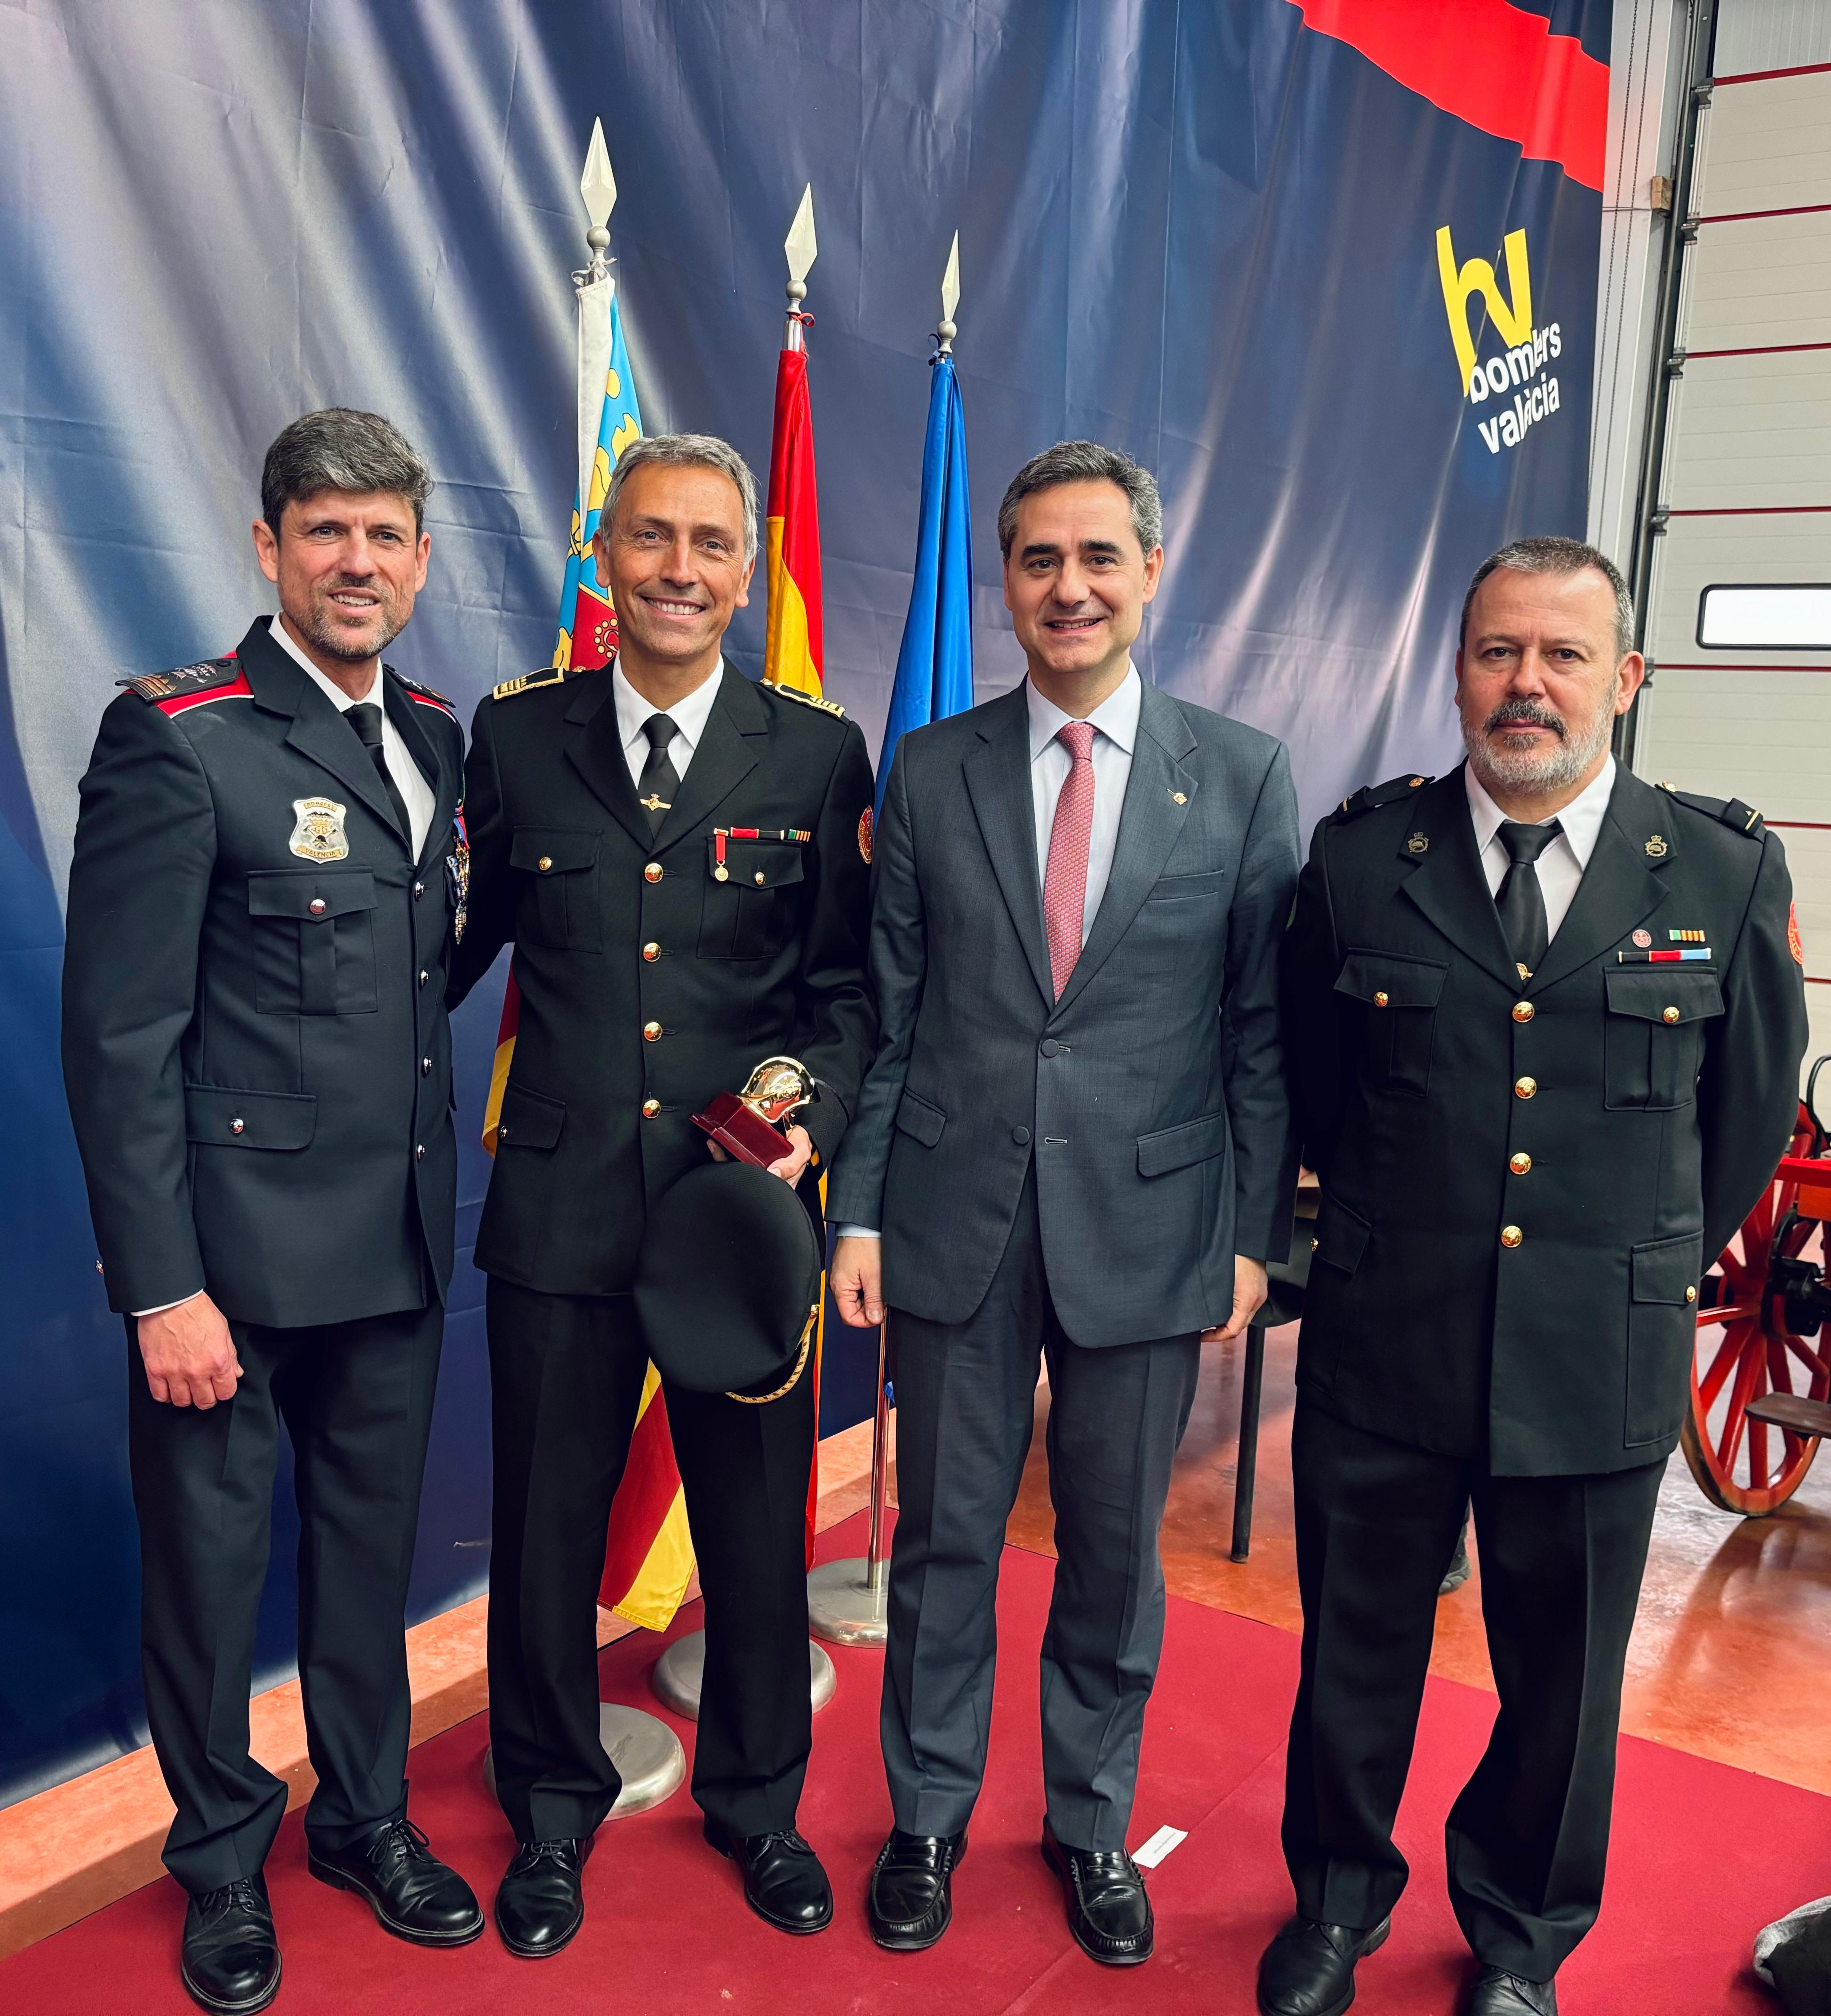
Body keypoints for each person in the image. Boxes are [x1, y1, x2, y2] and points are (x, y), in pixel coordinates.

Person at [1265, 536, 1809, 2016]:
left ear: (1621, 678)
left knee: (1561, 1684)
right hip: (1387, 1331)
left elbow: (1748, 1111)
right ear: (1457, 672)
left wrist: (1632, 1258)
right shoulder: (1362, 857)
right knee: (1353, 1642)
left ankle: (1518, 1938)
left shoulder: (1719, 864)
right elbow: (1318, 1086)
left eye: (1563, 655)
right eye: (1499, 651)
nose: (1527, 684)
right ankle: (1332, 1901)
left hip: (1595, 1345)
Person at [829, 440, 1301, 1966]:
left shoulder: (1238, 775)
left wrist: (1245, 1242)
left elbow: (1257, 1035)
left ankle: (1089, 1824)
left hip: (1153, 1235)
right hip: (954, 1220)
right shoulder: (933, 767)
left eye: (1099, 558)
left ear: (1150, 574)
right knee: (941, 1542)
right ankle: (927, 1813)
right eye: (1038, 560)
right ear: (1006, 583)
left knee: (1111, 1553)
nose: (1069, 587)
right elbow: (889, 1015)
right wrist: (858, 1213)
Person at [62, 408, 481, 2015]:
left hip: (391, 1250)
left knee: (366, 1568)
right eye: (325, 532)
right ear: (268, 547)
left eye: (385, 536)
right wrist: (159, 1289)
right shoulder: (181, 736)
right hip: (227, 1276)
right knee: (212, 1576)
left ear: (422, 562)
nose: (356, 562)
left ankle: (364, 1817)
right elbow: (120, 1040)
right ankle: (224, 1861)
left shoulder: (436, 737)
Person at [447, 432, 875, 1956]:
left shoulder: (818, 752)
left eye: (708, 544)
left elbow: (844, 997)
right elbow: (453, 949)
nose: (678, 570)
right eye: (650, 540)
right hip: (560, 1211)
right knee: (547, 1530)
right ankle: (549, 1811)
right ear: (602, 554)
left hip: (735, 1229)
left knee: (758, 1533)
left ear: (745, 569)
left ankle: (759, 1806)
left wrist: (779, 1125)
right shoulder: (514, 740)